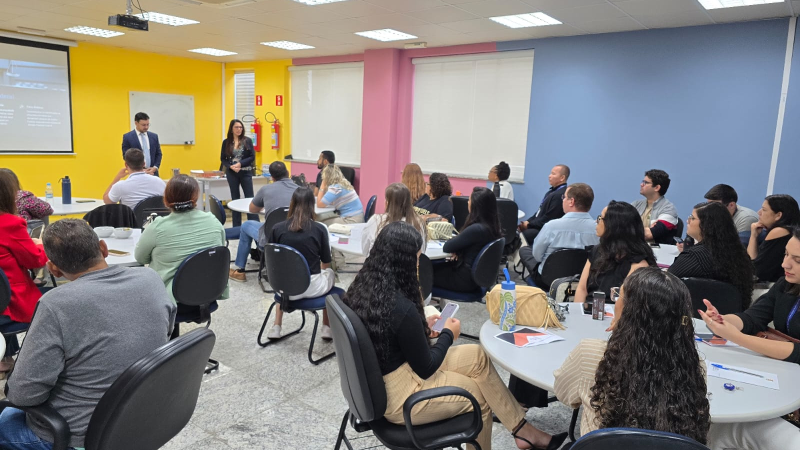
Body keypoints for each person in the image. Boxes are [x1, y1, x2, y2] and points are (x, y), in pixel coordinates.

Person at [344, 221, 567, 450]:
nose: (418, 266)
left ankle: (522, 431)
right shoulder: (401, 308)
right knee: (477, 395)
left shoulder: (364, 288)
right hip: (401, 396)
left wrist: (420, 328)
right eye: (416, 260)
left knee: (477, 356)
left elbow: (391, 335)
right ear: (404, 263)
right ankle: (519, 434)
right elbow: (427, 367)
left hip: (387, 379)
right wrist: (448, 334)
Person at [0, 219, 175, 450]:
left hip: (77, 434)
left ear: (53, 268)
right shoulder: (150, 278)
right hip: (141, 416)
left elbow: (23, 395)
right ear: (103, 248)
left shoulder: (56, 304)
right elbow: (166, 332)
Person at [553, 268, 710, 444]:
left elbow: (563, 393)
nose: (615, 303)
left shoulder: (590, 353)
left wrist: (620, 334)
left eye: (619, 296)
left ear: (629, 311)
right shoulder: (693, 365)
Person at [698, 227, 800, 449]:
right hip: (783, 376)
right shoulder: (787, 284)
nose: (785, 264)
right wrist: (723, 321)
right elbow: (754, 317)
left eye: (797, 260)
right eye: (785, 254)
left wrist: (736, 337)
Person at [134, 175, 228, 311]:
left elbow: (140, 258)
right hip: (208, 293)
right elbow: (219, 250)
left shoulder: (158, 226)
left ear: (165, 199)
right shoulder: (213, 221)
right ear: (195, 198)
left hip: (169, 300)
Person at [265, 187, 336, 340]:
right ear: (312, 205)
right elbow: (326, 261)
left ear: (292, 203)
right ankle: (326, 327)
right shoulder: (319, 229)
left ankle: (276, 326)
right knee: (329, 273)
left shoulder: (277, 229)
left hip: (283, 289)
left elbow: (270, 261)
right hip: (312, 288)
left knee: (285, 275)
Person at [0, 170, 48, 374]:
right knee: (61, 301)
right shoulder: (10, 224)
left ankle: (5, 357)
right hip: (11, 302)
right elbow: (34, 260)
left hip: (3, 296)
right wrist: (42, 245)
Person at [668, 202, 754, 308]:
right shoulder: (738, 252)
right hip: (733, 315)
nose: (688, 221)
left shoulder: (695, 256)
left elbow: (667, 279)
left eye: (692, 218)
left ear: (706, 224)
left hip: (697, 314)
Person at [519, 183, 599, 289]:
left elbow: (537, 256)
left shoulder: (551, 226)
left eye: (564, 197)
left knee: (525, 250)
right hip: (583, 281)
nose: (563, 200)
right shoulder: (598, 229)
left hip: (548, 281)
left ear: (572, 201)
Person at [574, 200, 655, 303]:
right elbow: (582, 289)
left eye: (600, 218)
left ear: (613, 226)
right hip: (589, 311)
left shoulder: (638, 265)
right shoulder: (597, 251)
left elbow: (626, 304)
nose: (596, 221)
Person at [229, 161, 298, 282]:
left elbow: (252, 209)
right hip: (295, 235)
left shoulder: (266, 189)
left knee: (246, 225)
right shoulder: (299, 189)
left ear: (271, 177)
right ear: (287, 173)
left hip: (272, 237)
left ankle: (240, 270)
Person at [433, 187, 502, 293]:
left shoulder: (476, 229)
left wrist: (457, 247)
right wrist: (459, 248)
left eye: (469, 200)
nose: (467, 202)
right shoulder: (491, 227)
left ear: (476, 206)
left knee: (423, 271)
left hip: (463, 279)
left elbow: (448, 246)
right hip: (472, 278)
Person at [362, 183, 426, 256]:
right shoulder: (418, 222)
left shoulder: (376, 220)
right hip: (409, 266)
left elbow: (365, 250)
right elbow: (422, 252)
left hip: (378, 266)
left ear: (387, 202)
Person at [748, 194, 800, 282]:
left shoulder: (779, 231)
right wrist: (754, 236)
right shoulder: (790, 230)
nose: (759, 212)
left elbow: (756, 272)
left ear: (778, 215)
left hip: (777, 284)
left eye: (764, 210)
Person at [220, 119, 258, 227]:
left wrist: (240, 164)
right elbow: (223, 159)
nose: (239, 129)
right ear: (231, 129)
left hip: (245, 172)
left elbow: (252, 156)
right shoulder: (226, 142)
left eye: (241, 127)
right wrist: (230, 166)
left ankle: (253, 223)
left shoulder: (247, 141)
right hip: (232, 173)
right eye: (236, 127)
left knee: (249, 198)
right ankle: (236, 226)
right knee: (235, 199)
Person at [519, 165, 569, 244]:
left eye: (553, 174)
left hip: (545, 230)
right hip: (538, 226)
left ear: (562, 178)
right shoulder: (551, 192)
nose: (549, 176)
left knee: (521, 237)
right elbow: (538, 213)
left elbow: (549, 219)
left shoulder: (560, 195)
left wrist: (529, 225)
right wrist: (527, 222)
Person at [631, 169, 678, 245]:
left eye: (645, 182)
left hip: (657, 253)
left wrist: (628, 229)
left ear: (657, 188)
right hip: (634, 249)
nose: (641, 184)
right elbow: (617, 226)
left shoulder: (669, 209)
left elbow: (649, 235)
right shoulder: (636, 204)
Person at [121, 112, 162, 176]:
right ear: (136, 123)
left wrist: (155, 167)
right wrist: (139, 169)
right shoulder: (128, 137)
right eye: (143, 125)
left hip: (153, 173)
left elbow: (158, 153)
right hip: (136, 173)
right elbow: (126, 156)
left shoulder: (154, 136)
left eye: (148, 124)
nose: (146, 127)